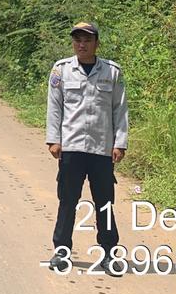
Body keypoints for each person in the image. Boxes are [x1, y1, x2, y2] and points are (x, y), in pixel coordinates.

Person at [46, 21, 128, 275]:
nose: (82, 44)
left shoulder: (112, 72)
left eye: (87, 40)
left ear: (96, 43)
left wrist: (120, 142)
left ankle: (108, 253)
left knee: (104, 202)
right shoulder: (61, 70)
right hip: (71, 146)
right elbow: (55, 106)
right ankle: (62, 251)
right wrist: (53, 139)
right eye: (77, 40)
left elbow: (119, 109)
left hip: (101, 148)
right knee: (67, 200)